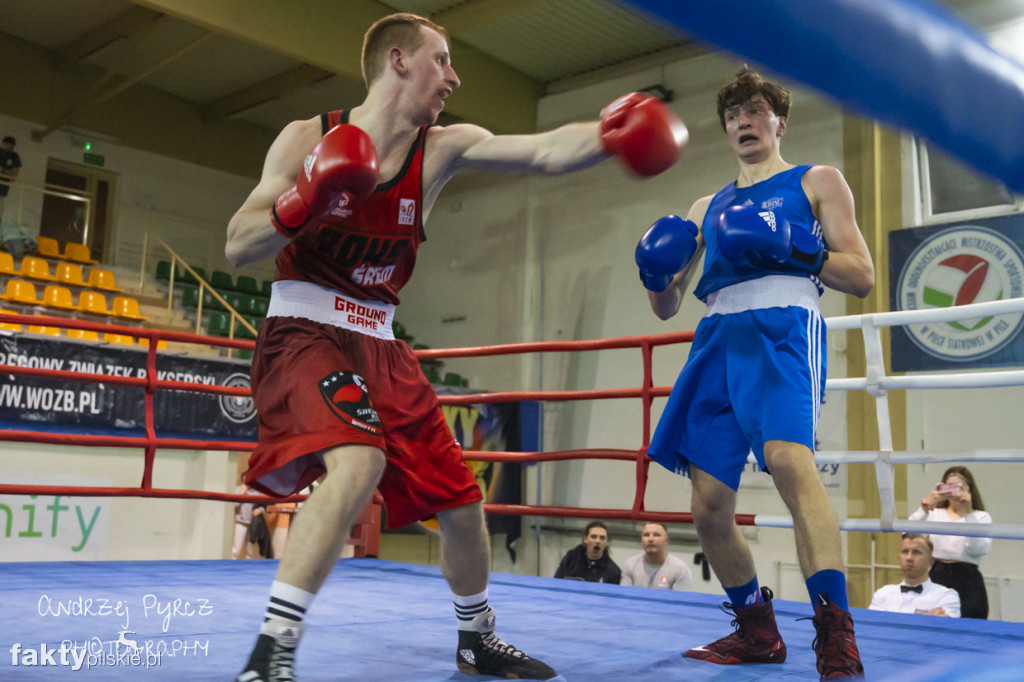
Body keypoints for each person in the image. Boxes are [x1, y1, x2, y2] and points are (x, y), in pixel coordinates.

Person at [224, 12, 686, 681]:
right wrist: (301, 198)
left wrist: (614, 134)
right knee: (358, 465)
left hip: (381, 341)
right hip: (305, 330)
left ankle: (476, 638)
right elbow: (238, 246)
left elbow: (543, 151)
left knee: (464, 504)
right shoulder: (306, 138)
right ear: (398, 60)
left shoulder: (441, 149)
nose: (455, 77)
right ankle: (271, 651)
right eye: (442, 60)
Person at [634, 65, 874, 680]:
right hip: (718, 335)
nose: (744, 120)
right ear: (726, 129)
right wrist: (656, 273)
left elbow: (862, 276)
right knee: (709, 505)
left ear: (779, 122)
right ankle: (756, 630)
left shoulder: (816, 180)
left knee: (791, 461)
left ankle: (835, 632)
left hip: (785, 325)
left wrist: (800, 247)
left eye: (756, 110)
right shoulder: (705, 205)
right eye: (734, 114)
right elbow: (667, 304)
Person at [909, 465, 992, 619]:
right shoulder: (935, 514)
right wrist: (926, 508)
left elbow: (976, 549)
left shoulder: (981, 517)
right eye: (948, 486)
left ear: (969, 489)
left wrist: (968, 514)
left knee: (971, 625)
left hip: (968, 578)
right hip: (938, 573)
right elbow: (909, 536)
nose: (953, 491)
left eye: (959, 487)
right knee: (934, 624)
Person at [868, 533, 960, 617]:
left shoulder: (946, 596)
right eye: (905, 552)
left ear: (931, 561)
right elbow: (873, 627)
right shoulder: (883, 594)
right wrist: (926, 618)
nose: (909, 558)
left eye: (916, 552)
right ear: (899, 557)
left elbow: (943, 631)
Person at [620, 522, 692, 590]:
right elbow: (625, 596)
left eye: (656, 535)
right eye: (646, 535)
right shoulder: (630, 564)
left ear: (666, 541)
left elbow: (680, 601)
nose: (650, 539)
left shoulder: (680, 569)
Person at [553, 521, 622, 584]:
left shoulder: (613, 571)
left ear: (607, 543)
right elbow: (556, 583)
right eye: (593, 537)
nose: (598, 541)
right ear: (585, 539)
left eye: (602, 538)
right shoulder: (570, 558)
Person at [0, 136, 22, 218]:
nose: (10, 148)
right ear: (4, 144)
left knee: (0, 211)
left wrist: (3, 170)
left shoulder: (14, 156)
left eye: (12, 146)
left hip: (2, 188)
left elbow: (15, 173)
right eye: (8, 145)